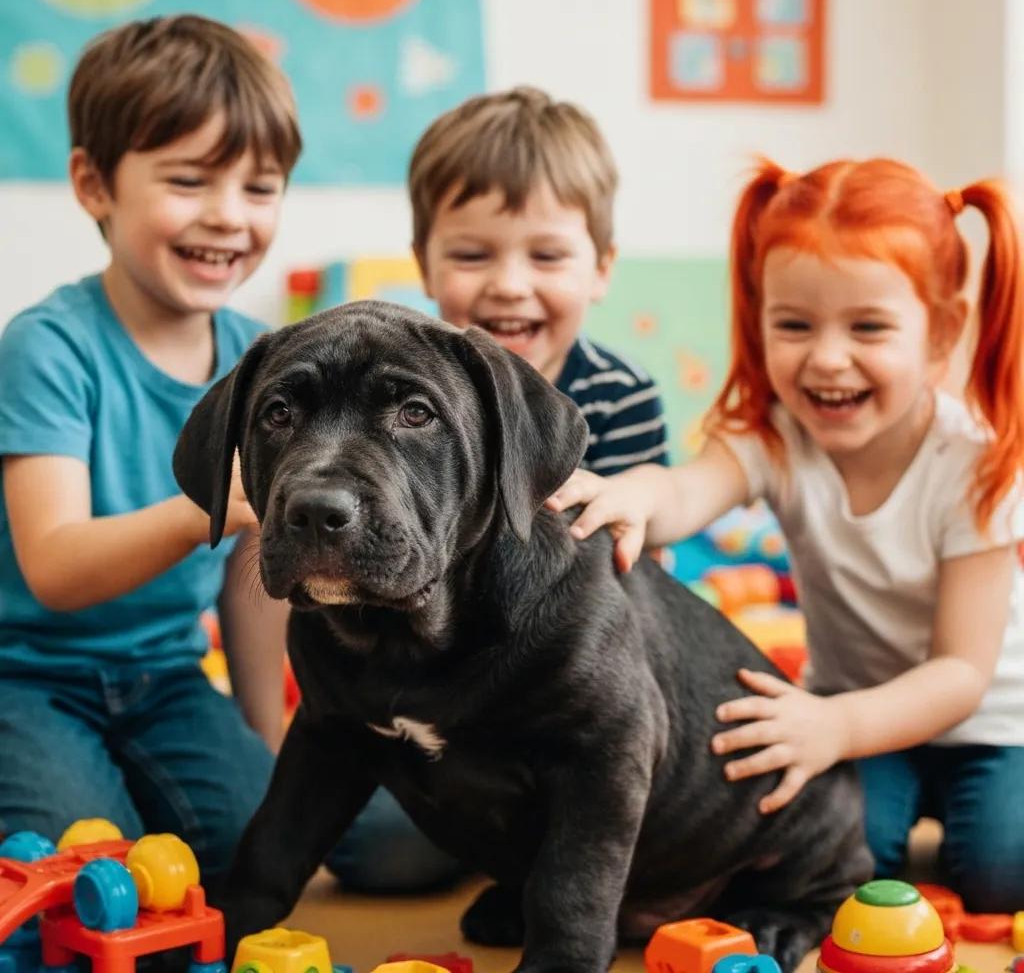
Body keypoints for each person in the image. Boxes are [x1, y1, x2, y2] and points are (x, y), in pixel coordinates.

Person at [548, 158, 1024, 912]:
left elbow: (961, 675)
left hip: (995, 724)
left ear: (941, 333)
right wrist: (629, 495)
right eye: (794, 325)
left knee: (1001, 874)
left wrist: (836, 725)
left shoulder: (979, 465)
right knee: (837, 857)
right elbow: (686, 490)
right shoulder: (778, 437)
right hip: (854, 711)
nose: (827, 358)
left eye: (868, 327)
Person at [327, 86, 670, 892]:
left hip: (563, 689)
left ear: (601, 269)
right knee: (387, 855)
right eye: (474, 255)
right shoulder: (399, 381)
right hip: (433, 670)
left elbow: (639, 578)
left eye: (546, 257)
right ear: (425, 263)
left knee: (627, 811)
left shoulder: (617, 392)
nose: (510, 286)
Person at [0, 14, 302, 881]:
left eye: (260, 187)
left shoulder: (260, 359)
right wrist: (202, 506)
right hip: (25, 680)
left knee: (262, 851)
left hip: (166, 679)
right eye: (188, 181)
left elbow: (255, 573)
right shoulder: (48, 346)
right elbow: (53, 568)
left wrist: (264, 742)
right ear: (94, 185)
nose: (227, 218)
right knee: (90, 871)